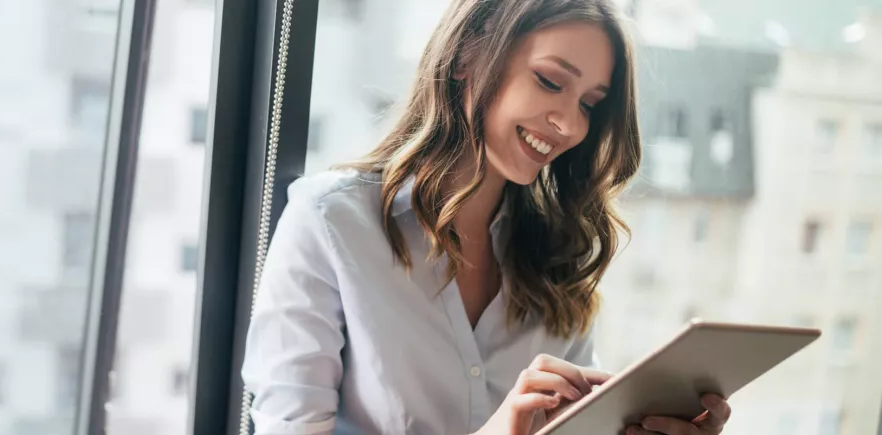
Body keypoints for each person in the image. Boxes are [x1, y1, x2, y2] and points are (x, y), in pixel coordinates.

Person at [241, 0, 732, 434]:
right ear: (467, 56)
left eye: (588, 104)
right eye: (549, 81)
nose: (568, 124)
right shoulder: (331, 222)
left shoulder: (557, 258)